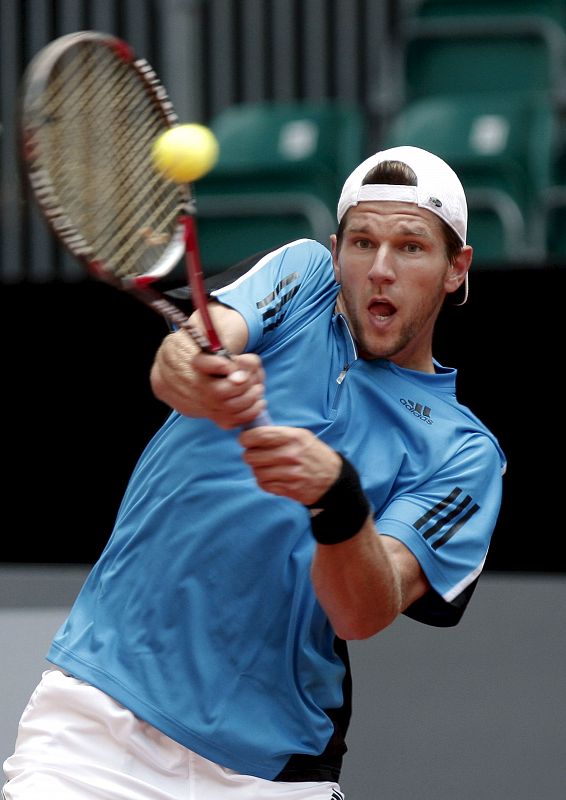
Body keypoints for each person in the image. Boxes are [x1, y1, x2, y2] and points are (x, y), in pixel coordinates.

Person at [3, 145, 506, 800]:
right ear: (335, 250)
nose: (379, 269)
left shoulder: (464, 454)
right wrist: (200, 380)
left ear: (454, 268)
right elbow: (183, 357)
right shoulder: (302, 278)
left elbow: (363, 611)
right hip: (101, 721)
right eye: (361, 242)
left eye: (410, 247)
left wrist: (338, 501)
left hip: (270, 771)